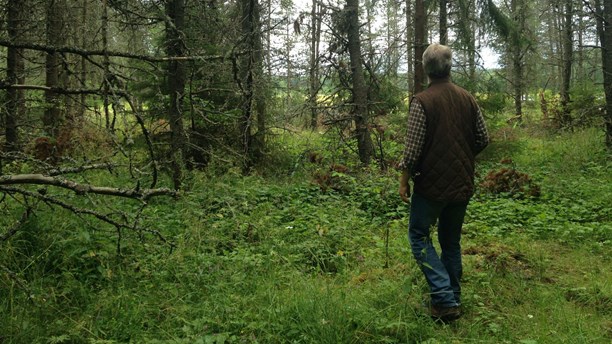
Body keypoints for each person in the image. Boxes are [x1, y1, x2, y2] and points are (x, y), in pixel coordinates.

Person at [398, 43, 489, 323]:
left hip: (430, 188)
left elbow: (412, 151)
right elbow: (483, 138)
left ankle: (444, 297)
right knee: (450, 241)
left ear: (426, 69)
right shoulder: (467, 98)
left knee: (418, 237)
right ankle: (452, 298)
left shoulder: (422, 101)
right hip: (461, 184)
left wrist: (403, 181)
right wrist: (461, 158)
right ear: (449, 67)